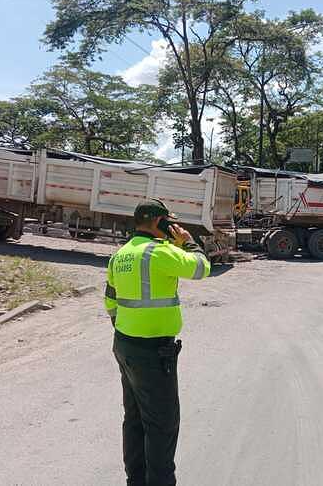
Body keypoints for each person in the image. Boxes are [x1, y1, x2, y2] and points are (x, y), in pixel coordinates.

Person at [105, 199, 211, 485]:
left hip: (125, 346)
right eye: (168, 221)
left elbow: (110, 302)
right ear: (158, 222)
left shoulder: (121, 255)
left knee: (135, 420)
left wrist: (128, 328)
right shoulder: (159, 252)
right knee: (162, 426)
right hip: (154, 353)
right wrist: (188, 242)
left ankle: (135, 481)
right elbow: (201, 268)